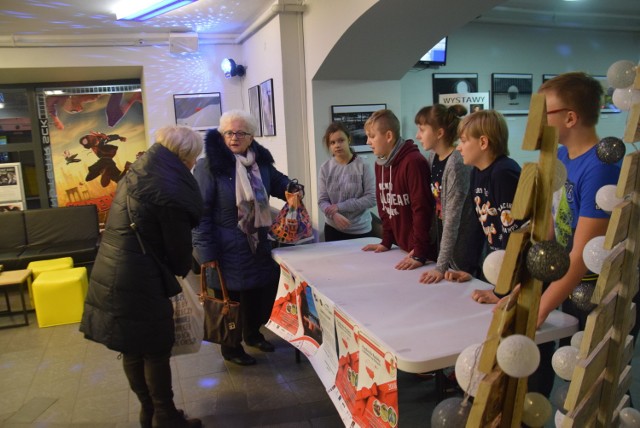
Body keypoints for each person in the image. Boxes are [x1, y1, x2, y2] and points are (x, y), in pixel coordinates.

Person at [80, 125, 204, 428]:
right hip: (140, 276)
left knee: (132, 347)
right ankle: (165, 416)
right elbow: (177, 255)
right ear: (184, 156)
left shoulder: (140, 171)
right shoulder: (169, 186)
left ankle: (147, 410)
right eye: (193, 159)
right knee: (155, 349)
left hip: (113, 268)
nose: (194, 165)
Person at [192, 109, 292, 366]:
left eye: (241, 133)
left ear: (251, 137)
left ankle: (253, 334)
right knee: (231, 300)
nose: (234, 137)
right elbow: (199, 213)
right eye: (229, 132)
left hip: (258, 243)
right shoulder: (209, 166)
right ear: (221, 135)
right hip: (226, 248)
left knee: (258, 295)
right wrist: (206, 254)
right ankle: (231, 346)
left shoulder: (261, 162)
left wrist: (293, 188)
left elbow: (278, 181)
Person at [444, 110, 524, 303]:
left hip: (516, 273)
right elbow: (478, 226)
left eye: (463, 141)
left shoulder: (503, 173)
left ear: (483, 142)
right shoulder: (476, 172)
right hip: (497, 264)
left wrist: (502, 292)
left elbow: (513, 235)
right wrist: (467, 268)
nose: (459, 148)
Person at [361, 109, 434, 270]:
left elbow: (421, 208)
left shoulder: (414, 162)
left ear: (388, 136)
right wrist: (387, 241)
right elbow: (384, 206)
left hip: (421, 252)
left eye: (372, 136)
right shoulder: (380, 163)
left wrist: (420, 250)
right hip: (403, 248)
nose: (368, 142)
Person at [414, 104, 478, 284]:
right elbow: (436, 206)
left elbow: (452, 218)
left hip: (461, 245)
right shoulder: (433, 156)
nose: (418, 136)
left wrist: (440, 267)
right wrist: (423, 249)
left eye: (422, 130)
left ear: (439, 133)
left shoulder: (456, 163)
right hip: (444, 240)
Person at [318, 122, 376, 241]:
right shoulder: (325, 168)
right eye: (332, 142)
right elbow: (322, 200)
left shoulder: (363, 165)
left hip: (361, 229)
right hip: (333, 228)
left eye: (341, 140)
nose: (337, 145)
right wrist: (334, 214)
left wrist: (340, 207)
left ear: (348, 139)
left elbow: (371, 198)